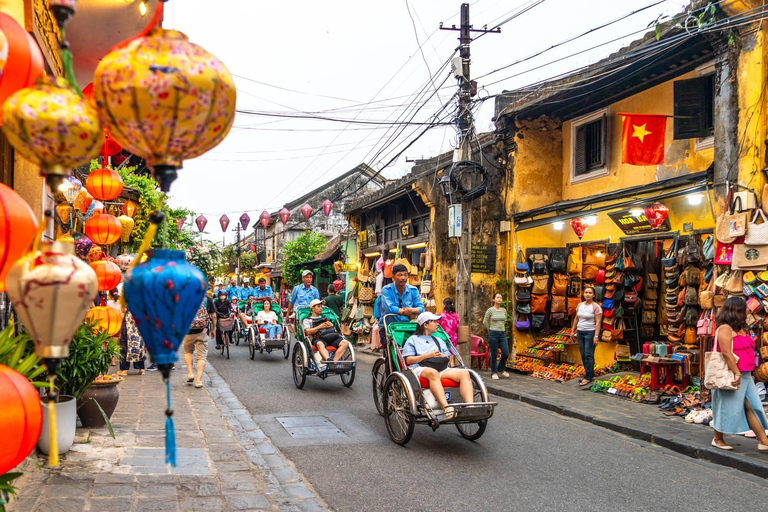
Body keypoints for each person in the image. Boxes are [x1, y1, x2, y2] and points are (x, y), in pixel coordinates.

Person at [711, 297, 768, 451]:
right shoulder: (725, 328)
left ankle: (763, 440)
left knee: (754, 406)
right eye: (745, 308)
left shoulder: (741, 329)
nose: (748, 310)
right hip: (731, 374)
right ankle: (717, 438)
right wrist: (737, 373)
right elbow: (726, 353)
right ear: (737, 310)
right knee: (725, 406)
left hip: (746, 374)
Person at [402, 312, 474, 420]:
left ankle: (470, 407)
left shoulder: (438, 340)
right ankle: (446, 408)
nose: (437, 324)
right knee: (433, 373)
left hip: (440, 368)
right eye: (434, 322)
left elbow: (447, 357)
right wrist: (426, 356)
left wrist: (442, 355)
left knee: (464, 373)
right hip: (419, 368)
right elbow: (408, 360)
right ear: (425, 325)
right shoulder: (413, 340)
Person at [379, 263, 424, 370]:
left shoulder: (413, 290)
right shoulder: (386, 289)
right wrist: (405, 312)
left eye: (405, 275)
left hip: (407, 328)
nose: (403, 278)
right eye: (399, 275)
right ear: (393, 277)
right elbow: (389, 307)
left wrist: (411, 310)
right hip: (389, 328)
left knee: (413, 352)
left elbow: (421, 308)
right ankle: (390, 378)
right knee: (392, 354)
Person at [569, 286, 603, 387]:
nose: (587, 294)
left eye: (590, 293)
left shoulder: (596, 307)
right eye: (586, 292)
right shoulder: (580, 305)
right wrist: (573, 330)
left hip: (590, 332)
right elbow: (576, 318)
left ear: (593, 295)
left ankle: (587, 377)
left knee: (588, 354)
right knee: (583, 355)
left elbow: (598, 322)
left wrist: (596, 336)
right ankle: (589, 373)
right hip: (580, 332)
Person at [303, 299, 349, 365]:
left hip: (332, 337)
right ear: (313, 308)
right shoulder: (307, 320)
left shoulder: (326, 318)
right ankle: (328, 360)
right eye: (318, 306)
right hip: (319, 339)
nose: (321, 308)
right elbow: (308, 332)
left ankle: (333, 362)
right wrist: (320, 327)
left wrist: (331, 325)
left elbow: (333, 329)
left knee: (345, 343)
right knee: (320, 344)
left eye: (321, 306)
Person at [183, 292, 215, 388]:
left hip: (188, 331)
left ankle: (190, 374)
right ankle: (198, 381)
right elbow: (214, 316)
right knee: (202, 357)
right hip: (202, 331)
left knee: (188, 352)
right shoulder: (207, 299)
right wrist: (213, 328)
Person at [483, 293, 510, 380]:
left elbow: (505, 320)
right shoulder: (490, 310)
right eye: (497, 297)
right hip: (493, 333)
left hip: (502, 333)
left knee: (505, 353)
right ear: (493, 299)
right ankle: (494, 372)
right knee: (494, 353)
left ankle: (501, 369)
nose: (499, 299)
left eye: (501, 298)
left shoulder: (504, 310)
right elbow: (485, 322)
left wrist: (501, 328)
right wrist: (490, 330)